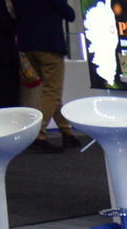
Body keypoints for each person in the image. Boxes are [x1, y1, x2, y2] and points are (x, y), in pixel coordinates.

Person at [14, 0, 80, 152]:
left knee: (50, 90)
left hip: (28, 45)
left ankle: (66, 132)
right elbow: (69, 15)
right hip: (49, 44)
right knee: (52, 91)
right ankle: (39, 134)